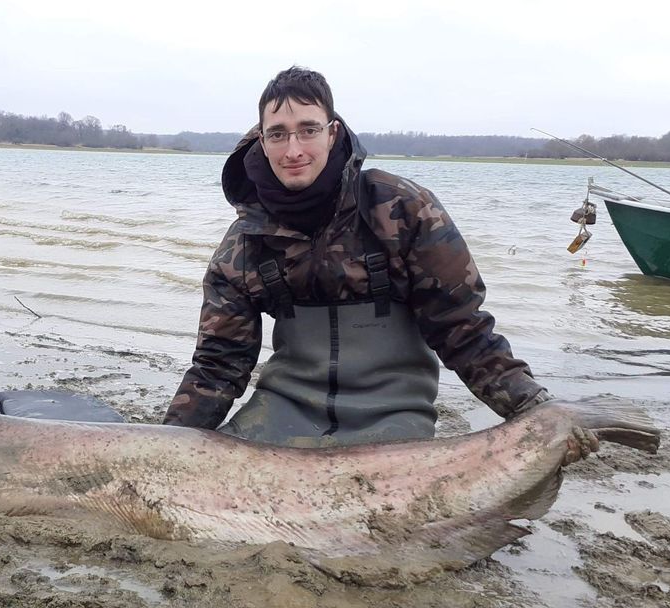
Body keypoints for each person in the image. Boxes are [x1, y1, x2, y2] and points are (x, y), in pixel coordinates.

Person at [163, 66, 550, 448]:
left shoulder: (404, 208)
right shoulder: (243, 243)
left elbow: (465, 333)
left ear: (332, 133)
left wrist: (534, 409)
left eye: (308, 130)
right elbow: (219, 365)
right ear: (262, 142)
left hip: (394, 415)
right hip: (280, 410)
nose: (293, 149)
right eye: (277, 134)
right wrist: (168, 442)